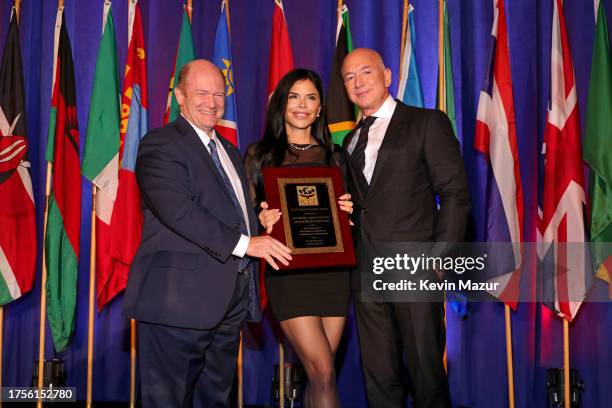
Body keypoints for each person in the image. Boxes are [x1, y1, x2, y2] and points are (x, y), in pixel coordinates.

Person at [123, 59, 292, 407]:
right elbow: (179, 211)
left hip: (228, 302)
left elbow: (225, 212)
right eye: (202, 93)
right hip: (177, 304)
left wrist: (259, 222)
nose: (212, 102)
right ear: (180, 96)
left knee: (215, 400)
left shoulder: (229, 150)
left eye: (218, 93)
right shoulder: (160, 144)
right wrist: (248, 243)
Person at [341, 48, 471, 408]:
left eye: (365, 73)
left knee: (426, 376)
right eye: (349, 78)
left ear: (386, 75)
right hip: (365, 273)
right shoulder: (350, 140)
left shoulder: (427, 122)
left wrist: (438, 260)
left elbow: (456, 196)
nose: (357, 82)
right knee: (380, 381)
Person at [245, 68, 353, 408]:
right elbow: (242, 216)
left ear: (321, 108)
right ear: (281, 104)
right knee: (322, 369)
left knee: (320, 372)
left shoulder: (336, 156)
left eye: (311, 97)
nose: (302, 105)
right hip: (289, 274)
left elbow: (351, 215)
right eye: (294, 97)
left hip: (333, 275)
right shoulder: (259, 156)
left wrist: (349, 212)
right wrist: (259, 220)